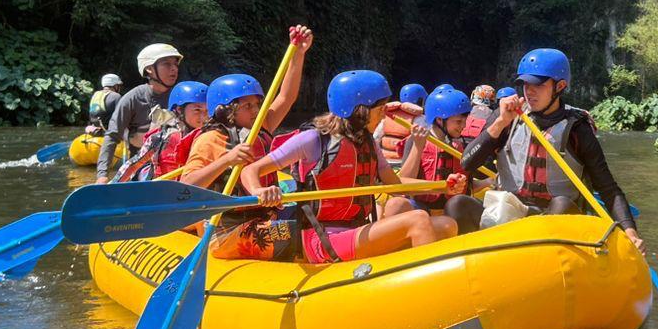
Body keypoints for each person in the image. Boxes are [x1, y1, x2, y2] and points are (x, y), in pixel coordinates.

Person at [242, 69, 463, 263]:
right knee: (418, 219)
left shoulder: (367, 142)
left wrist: (443, 186)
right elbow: (250, 170)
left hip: (355, 229)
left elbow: (397, 185)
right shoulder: (313, 140)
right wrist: (258, 190)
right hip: (323, 238)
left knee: (447, 225)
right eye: (380, 108)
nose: (384, 114)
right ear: (359, 110)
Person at [462, 48, 645, 255]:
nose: (529, 91)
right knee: (459, 205)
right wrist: (500, 123)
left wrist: (630, 232)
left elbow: (608, 188)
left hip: (554, 217)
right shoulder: (505, 116)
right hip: (509, 209)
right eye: (525, 84)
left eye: (538, 85)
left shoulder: (577, 129)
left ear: (560, 86)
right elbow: (467, 163)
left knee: (561, 204)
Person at [178, 25, 313, 260]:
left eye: (256, 104)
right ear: (225, 111)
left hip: (263, 218)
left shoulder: (260, 127)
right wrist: (227, 160)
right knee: (295, 235)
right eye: (247, 106)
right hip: (224, 231)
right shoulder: (210, 139)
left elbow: (286, 97)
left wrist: (298, 53)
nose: (255, 111)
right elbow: (187, 186)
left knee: (314, 217)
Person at [400, 87, 485, 233]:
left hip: (452, 212)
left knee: (457, 202)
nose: (463, 127)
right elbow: (404, 182)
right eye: (458, 122)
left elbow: (469, 186)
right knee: (397, 204)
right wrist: (418, 147)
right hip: (422, 210)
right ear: (439, 120)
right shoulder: (416, 140)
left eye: (465, 121)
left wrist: (489, 182)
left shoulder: (462, 145)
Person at [96, 44, 182, 184]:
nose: (174, 69)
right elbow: (112, 136)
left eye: (175, 64)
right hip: (142, 168)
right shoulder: (132, 98)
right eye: (167, 64)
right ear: (149, 69)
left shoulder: (182, 96)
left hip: (176, 166)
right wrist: (102, 175)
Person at [112, 80, 208, 182]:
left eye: (207, 111)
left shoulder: (210, 137)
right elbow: (134, 163)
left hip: (189, 190)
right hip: (160, 188)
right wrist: (113, 185)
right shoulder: (161, 138)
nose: (204, 117)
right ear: (179, 110)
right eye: (197, 110)